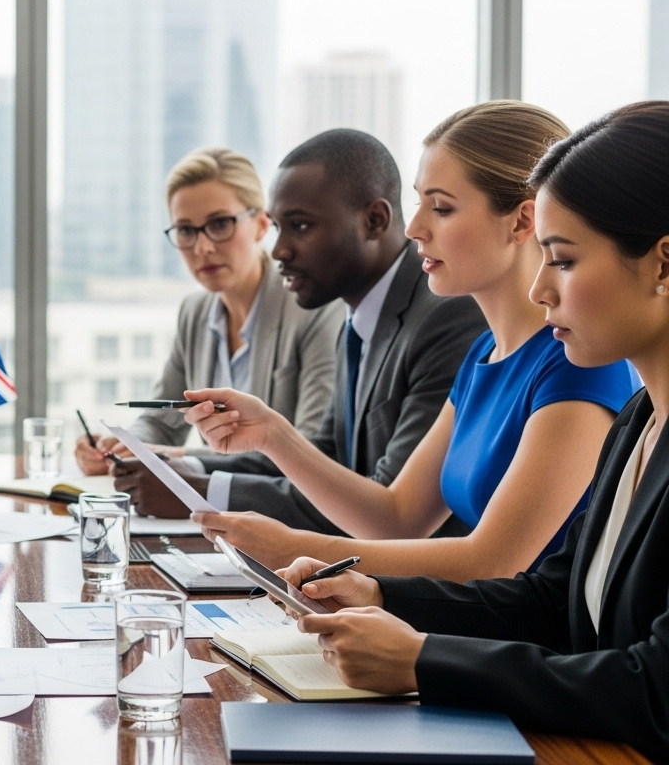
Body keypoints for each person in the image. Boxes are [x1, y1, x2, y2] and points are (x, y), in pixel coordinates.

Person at [278, 101, 669, 761]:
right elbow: (554, 600)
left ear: (662, 264)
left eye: (565, 261)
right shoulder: (640, 421)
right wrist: (380, 594)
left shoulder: (599, 394)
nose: (542, 290)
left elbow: (656, 689)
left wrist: (424, 661)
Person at [182, 103, 637, 580]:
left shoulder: (577, 362)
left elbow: (493, 562)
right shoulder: (484, 354)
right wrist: (273, 434)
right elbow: (395, 518)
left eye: (440, 208)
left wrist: (294, 548)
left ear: (522, 222)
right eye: (419, 202)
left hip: (525, 648)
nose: (415, 228)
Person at [115, 129, 487, 539]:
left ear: (374, 220)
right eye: (279, 227)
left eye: (301, 226)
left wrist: (200, 490)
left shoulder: (445, 317)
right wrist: (191, 469)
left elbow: (387, 509)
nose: (280, 250)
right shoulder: (361, 314)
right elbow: (323, 460)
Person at [75, 147, 343, 476]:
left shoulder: (312, 309)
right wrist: (123, 447)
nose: (202, 247)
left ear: (261, 224)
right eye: (186, 230)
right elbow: (162, 423)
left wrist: (177, 456)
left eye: (219, 224)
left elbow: (311, 450)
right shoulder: (195, 312)